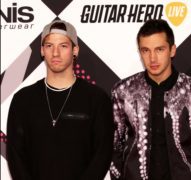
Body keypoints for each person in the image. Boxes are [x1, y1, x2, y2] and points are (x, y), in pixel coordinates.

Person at [109, 19, 191, 180]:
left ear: (172, 50)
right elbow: (114, 144)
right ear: (140, 52)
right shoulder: (123, 91)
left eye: (159, 49)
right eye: (145, 50)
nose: (152, 58)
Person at [6, 19, 114, 180]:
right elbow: (15, 156)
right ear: (42, 50)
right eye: (49, 46)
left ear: (75, 50)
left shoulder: (97, 99)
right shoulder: (23, 100)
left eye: (63, 46)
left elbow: (102, 155)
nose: (55, 53)